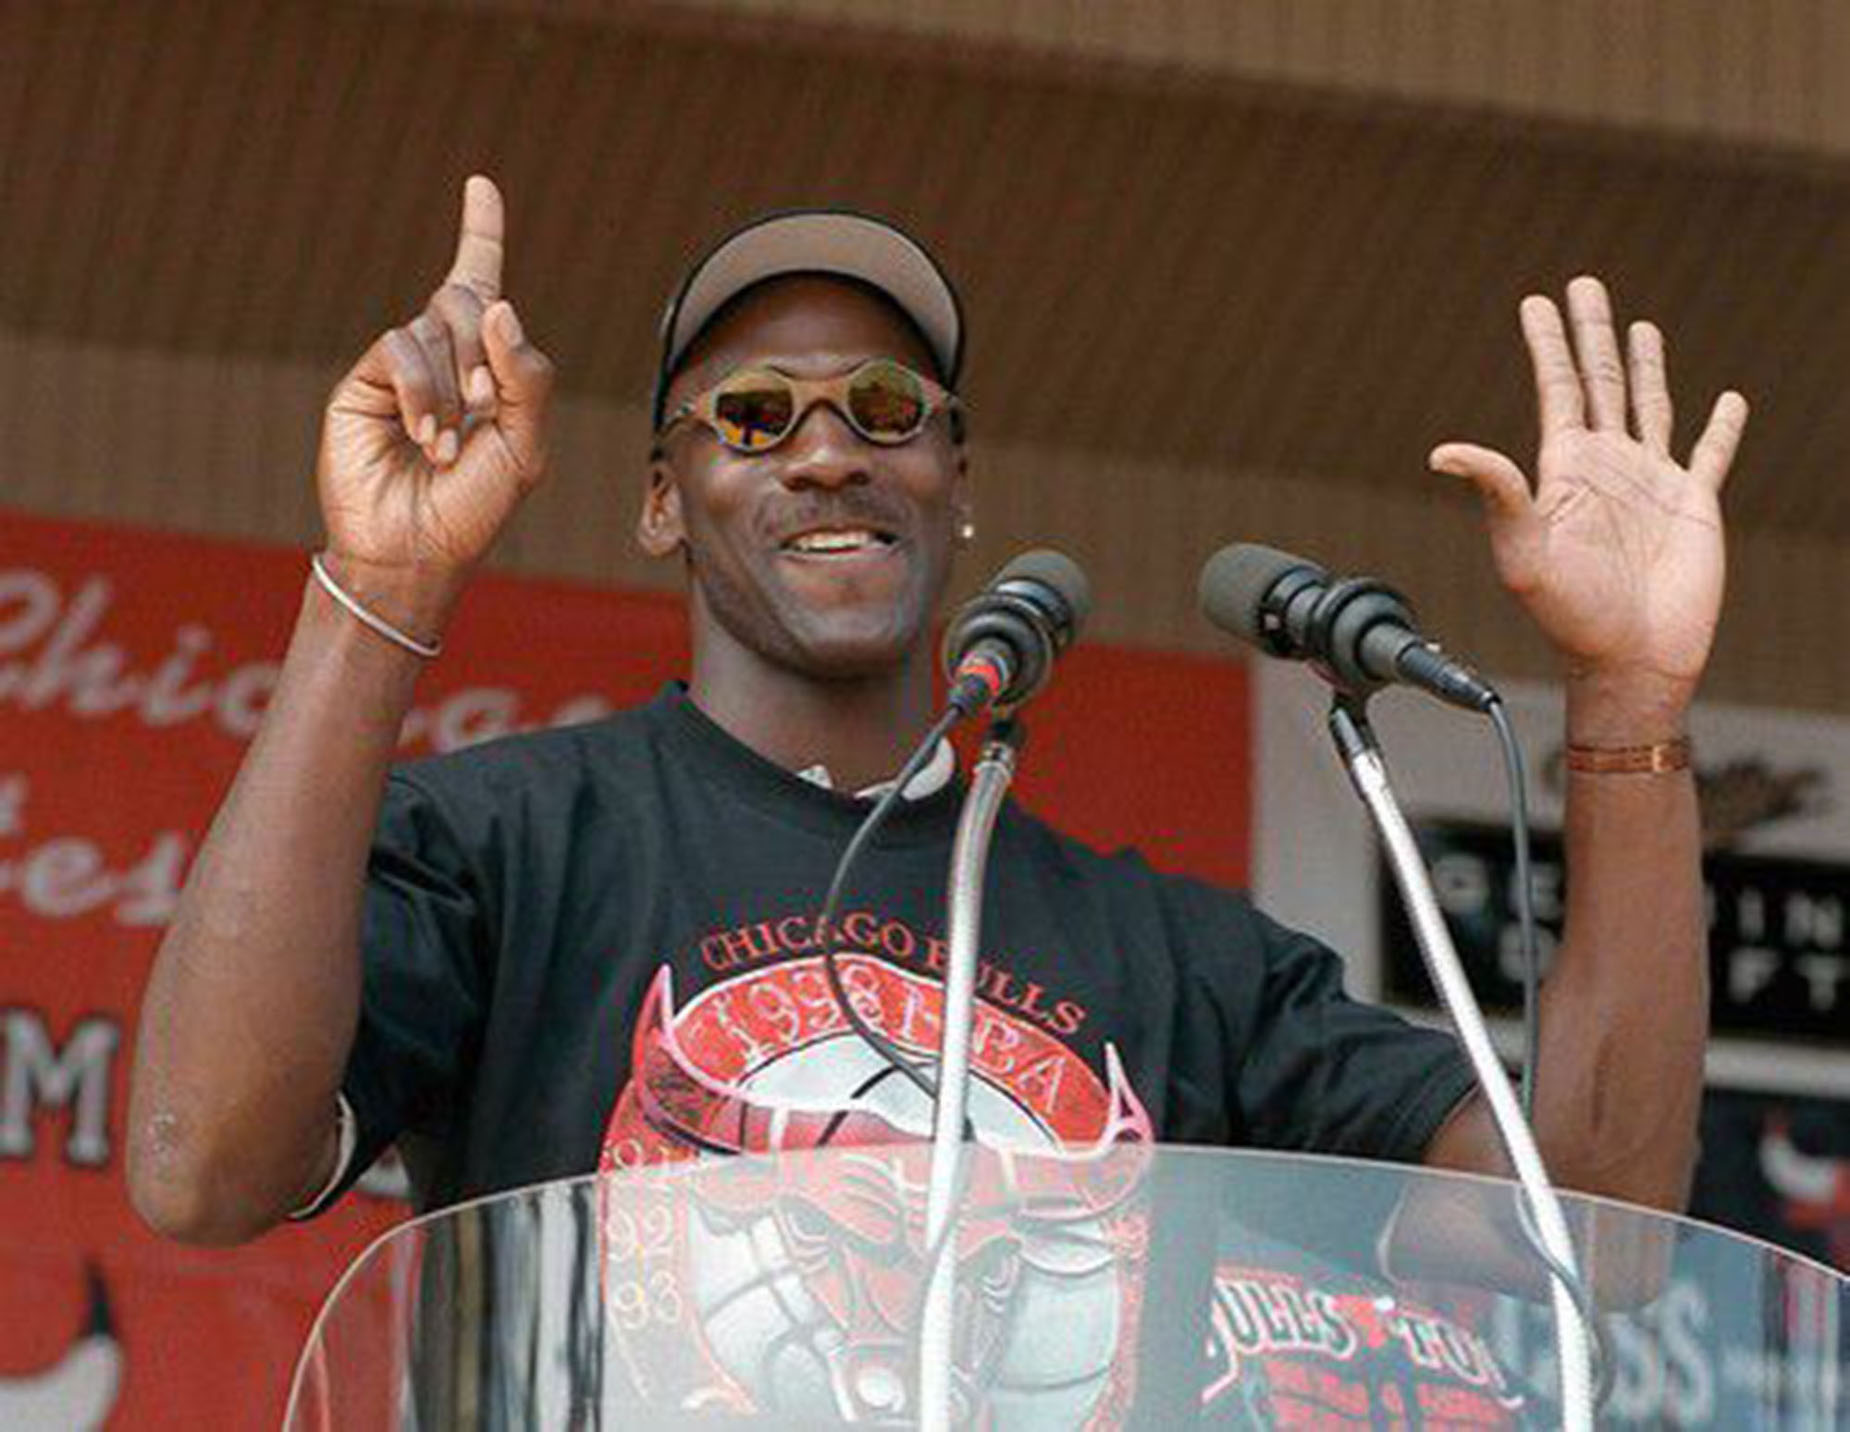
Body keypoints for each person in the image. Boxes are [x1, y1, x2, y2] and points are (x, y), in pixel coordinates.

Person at [126, 175, 1747, 1245]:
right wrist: (383, 582)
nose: (826, 450)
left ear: (955, 487)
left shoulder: (1167, 958)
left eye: (884, 409)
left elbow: (1588, 1236)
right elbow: (203, 1168)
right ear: (661, 502)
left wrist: (1628, 697)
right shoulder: (509, 842)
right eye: (750, 418)